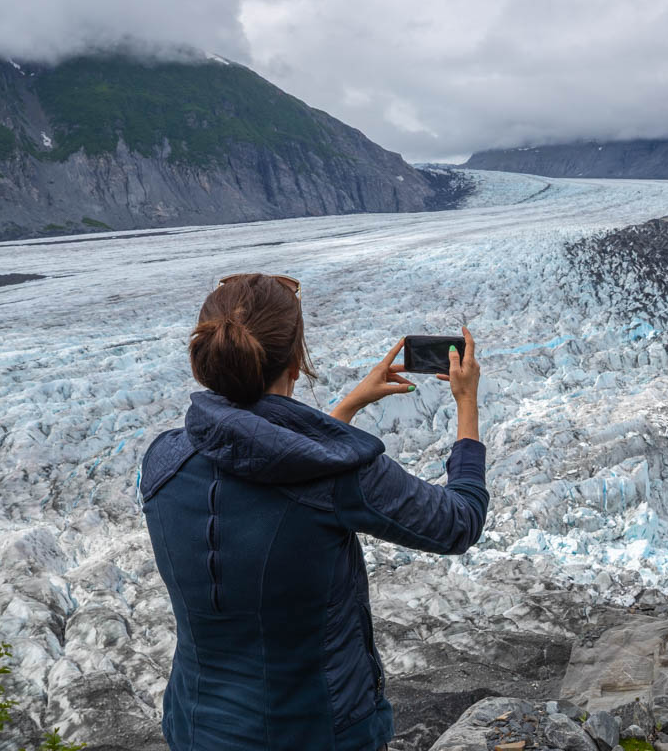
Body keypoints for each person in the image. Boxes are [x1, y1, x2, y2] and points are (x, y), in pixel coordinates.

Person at [138, 273, 487, 751]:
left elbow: (261, 459)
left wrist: (348, 406)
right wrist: (466, 404)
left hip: (196, 731)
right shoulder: (341, 477)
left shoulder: (161, 462)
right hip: (316, 734)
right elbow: (458, 522)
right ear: (296, 363)